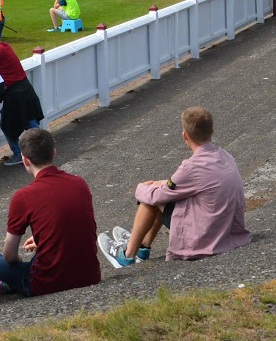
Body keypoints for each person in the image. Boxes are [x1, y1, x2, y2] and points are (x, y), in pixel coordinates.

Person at [97, 107, 250, 267]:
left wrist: (141, 187)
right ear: (212, 130)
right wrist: (157, 184)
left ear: (185, 136)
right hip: (227, 231)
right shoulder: (225, 155)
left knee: (151, 198)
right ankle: (142, 246)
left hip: (206, 238)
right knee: (158, 189)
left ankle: (126, 255)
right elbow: (183, 184)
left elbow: (158, 196)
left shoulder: (191, 167)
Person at [0, 128, 101, 298]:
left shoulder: (23, 197)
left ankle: (10, 284)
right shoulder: (79, 183)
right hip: (89, 275)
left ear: (25, 160)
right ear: (54, 152)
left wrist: (19, 261)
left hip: (47, 283)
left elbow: (9, 255)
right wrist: (41, 239)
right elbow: (73, 222)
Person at [0, 27, 43, 165]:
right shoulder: (5, 46)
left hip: (14, 93)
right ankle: (43, 148)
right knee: (31, 121)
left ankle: (18, 153)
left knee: (7, 125)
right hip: (25, 88)